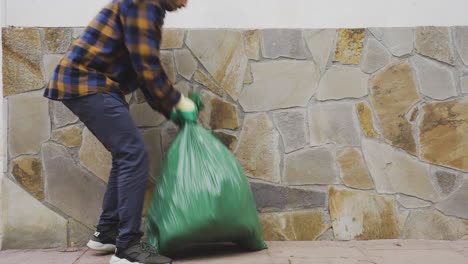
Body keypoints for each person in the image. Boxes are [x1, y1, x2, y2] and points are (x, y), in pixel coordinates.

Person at [43, 0, 193, 263]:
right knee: (133, 154)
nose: (186, 2)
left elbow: (141, 67)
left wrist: (172, 110)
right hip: (86, 81)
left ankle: (107, 233)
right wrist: (176, 101)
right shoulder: (145, 2)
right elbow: (147, 65)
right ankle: (128, 249)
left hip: (91, 83)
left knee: (125, 154)